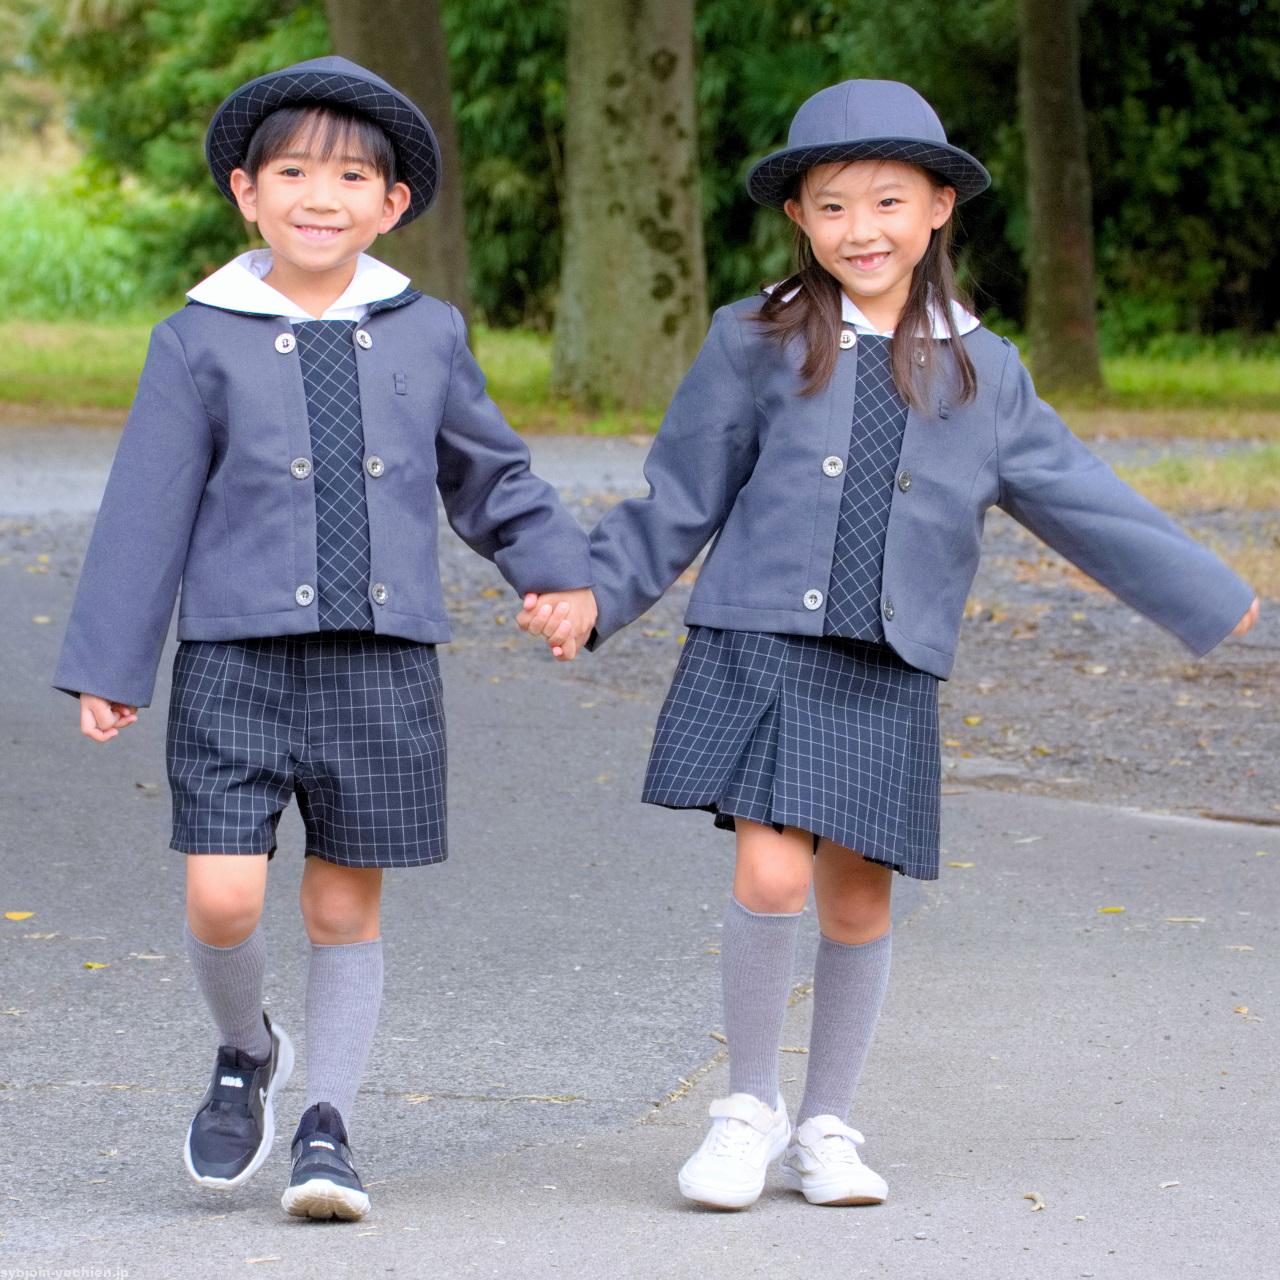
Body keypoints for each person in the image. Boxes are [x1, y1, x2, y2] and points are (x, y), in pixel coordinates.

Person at [519, 79, 1259, 1210]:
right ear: (797, 221)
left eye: (884, 201)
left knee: (856, 897)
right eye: (830, 206)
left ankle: (825, 1124)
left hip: (886, 659)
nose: (858, 229)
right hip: (761, 641)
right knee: (769, 870)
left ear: (939, 208)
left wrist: (1205, 590)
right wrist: (591, 593)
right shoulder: (753, 335)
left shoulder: (984, 368)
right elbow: (679, 489)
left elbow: (1077, 495)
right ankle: (744, 1109)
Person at [52, 55, 596, 1222]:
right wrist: (110, 661)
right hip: (235, 661)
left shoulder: (426, 331)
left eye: (352, 175)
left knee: (345, 907)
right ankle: (246, 1046)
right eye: (293, 170)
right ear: (247, 192)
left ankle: (327, 1126)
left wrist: (555, 574)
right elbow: (147, 504)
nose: (321, 193)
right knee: (223, 899)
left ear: (391, 204)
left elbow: (489, 475)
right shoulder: (198, 337)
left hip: (381, 660)